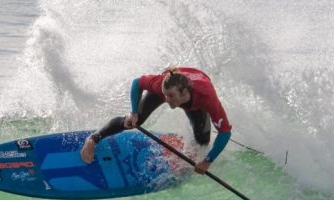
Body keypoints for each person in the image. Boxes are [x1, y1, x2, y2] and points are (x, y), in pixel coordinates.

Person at [80, 66, 232, 174]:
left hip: (195, 93)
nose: (167, 100)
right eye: (165, 96)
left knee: (202, 141)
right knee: (135, 121)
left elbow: (225, 132)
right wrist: (133, 112)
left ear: (184, 93)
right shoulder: (162, 85)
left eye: (170, 97)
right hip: (176, 81)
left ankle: (189, 157)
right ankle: (93, 139)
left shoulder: (207, 98)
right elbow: (137, 83)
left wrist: (207, 161)